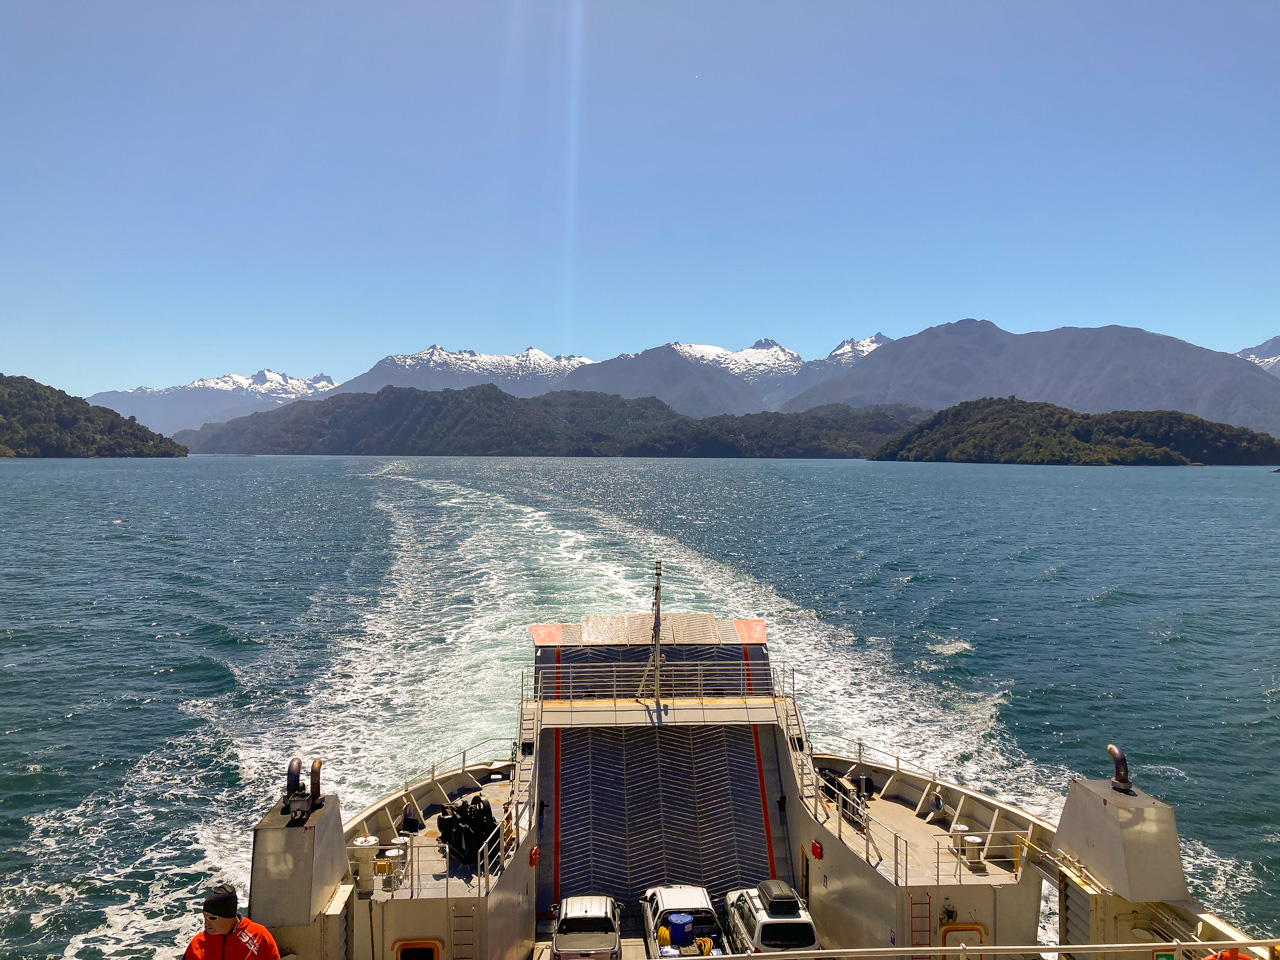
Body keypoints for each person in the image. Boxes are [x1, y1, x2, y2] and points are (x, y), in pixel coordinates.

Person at [184, 882, 281, 960]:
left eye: (212, 918)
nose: (206, 924)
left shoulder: (259, 936)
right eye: (205, 917)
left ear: (228, 916)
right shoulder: (197, 943)